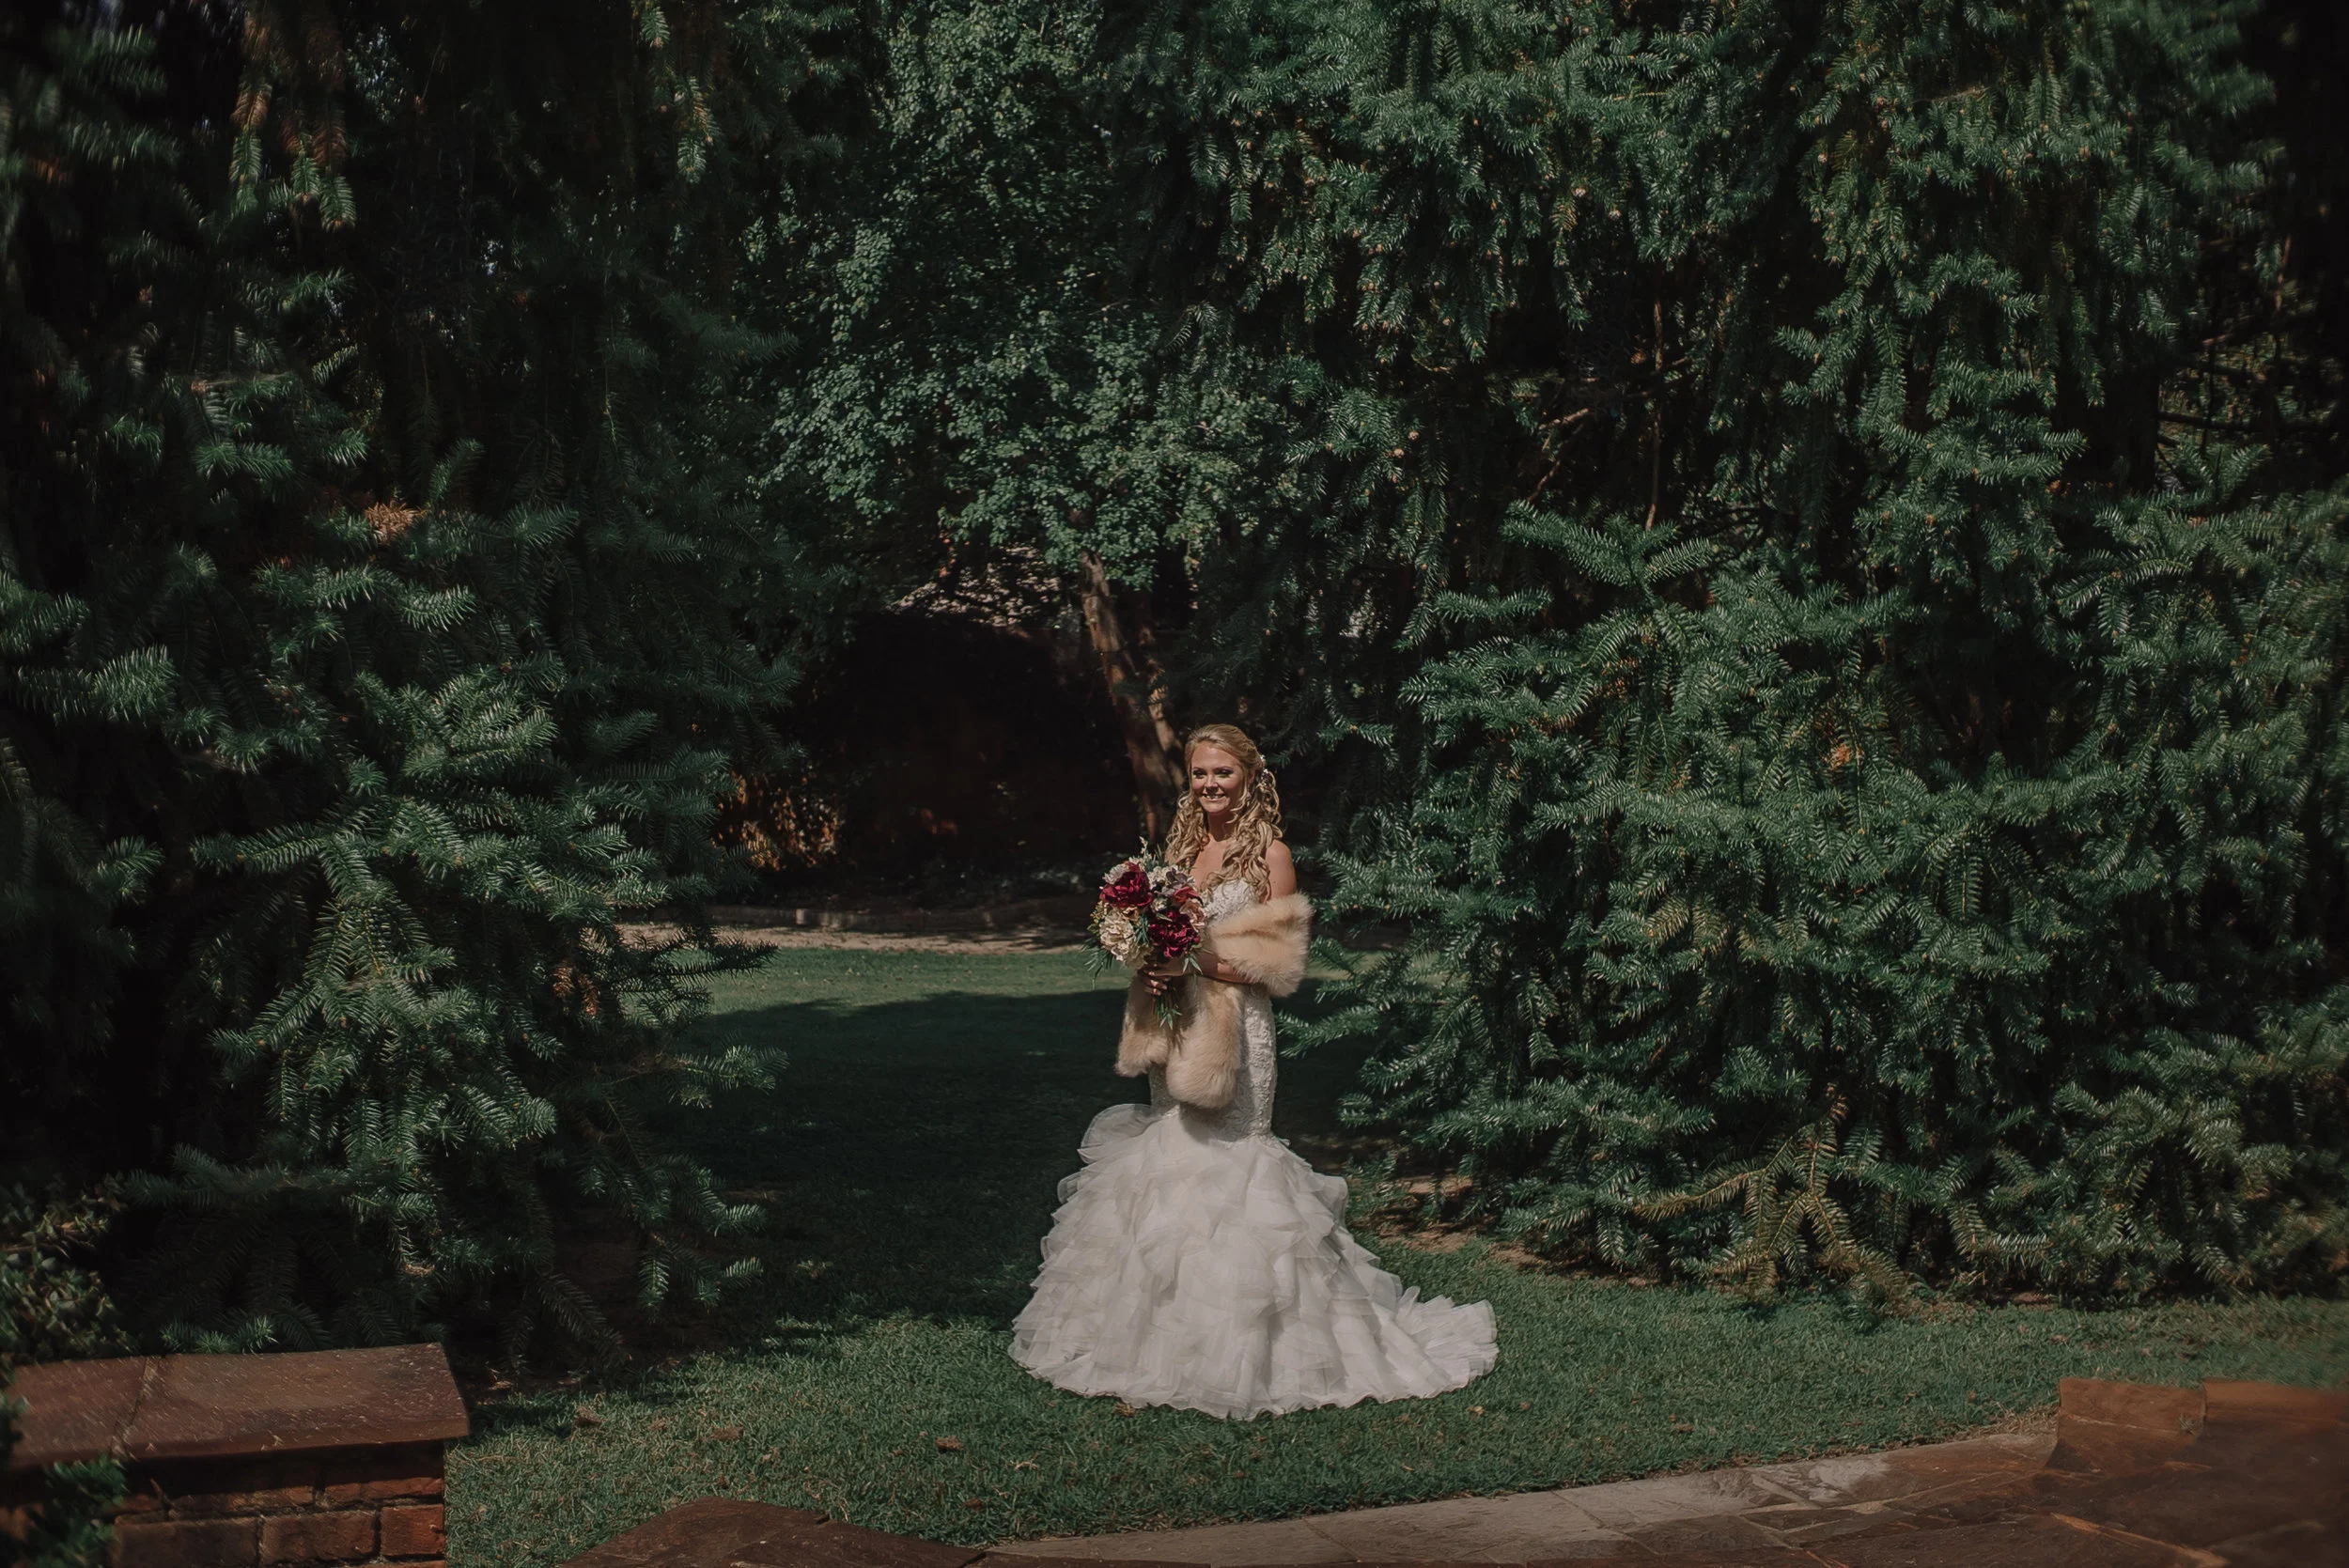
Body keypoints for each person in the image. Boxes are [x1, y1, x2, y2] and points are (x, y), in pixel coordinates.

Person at [1010, 723, 1498, 1420]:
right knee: (1171, 1161)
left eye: (1222, 773)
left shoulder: (1271, 856)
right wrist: (1145, 960)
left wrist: (1194, 961)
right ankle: (1162, 1343)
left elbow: (1278, 968)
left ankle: (1259, 1351)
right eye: (1200, 773)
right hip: (1177, 1028)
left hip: (1237, 1037)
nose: (1209, 785)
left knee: (1235, 1171)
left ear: (1250, 777)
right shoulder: (1179, 850)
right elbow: (1158, 935)